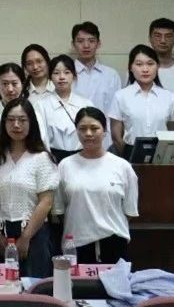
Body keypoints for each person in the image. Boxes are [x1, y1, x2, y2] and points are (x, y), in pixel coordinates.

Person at [54, 107, 139, 264]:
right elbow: (60, 210)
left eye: (94, 128)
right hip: (76, 244)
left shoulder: (122, 166)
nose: (88, 133)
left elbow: (129, 211)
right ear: (76, 131)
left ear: (105, 131)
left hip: (114, 241)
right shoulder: (65, 165)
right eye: (82, 129)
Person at [0, 99, 58, 278]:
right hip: (2, 234)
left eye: (22, 120)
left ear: (32, 123)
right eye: (11, 120)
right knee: (4, 287)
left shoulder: (42, 158)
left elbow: (46, 202)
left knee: (33, 286)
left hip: (34, 231)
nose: (16, 125)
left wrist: (26, 237)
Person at [107, 45, 174, 154]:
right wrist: (127, 157)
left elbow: (171, 133)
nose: (145, 69)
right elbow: (116, 137)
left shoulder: (169, 97)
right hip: (130, 152)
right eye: (139, 64)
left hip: (161, 154)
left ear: (158, 66)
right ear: (131, 67)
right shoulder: (121, 96)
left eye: (150, 64)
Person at [41, 55, 94, 160]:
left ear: (74, 76)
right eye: (56, 73)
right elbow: (40, 138)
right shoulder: (41, 105)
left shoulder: (86, 103)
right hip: (52, 158)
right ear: (50, 77)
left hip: (82, 157)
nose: (61, 77)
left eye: (67, 72)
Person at [0, 63, 50, 148]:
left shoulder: (34, 115)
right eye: (5, 84)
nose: (10, 89)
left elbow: (43, 146)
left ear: (22, 85)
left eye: (14, 83)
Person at [70, 22, 121, 113]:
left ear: (98, 43)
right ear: (73, 44)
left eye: (91, 41)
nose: (86, 45)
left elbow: (117, 111)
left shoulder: (111, 75)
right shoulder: (66, 74)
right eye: (80, 41)